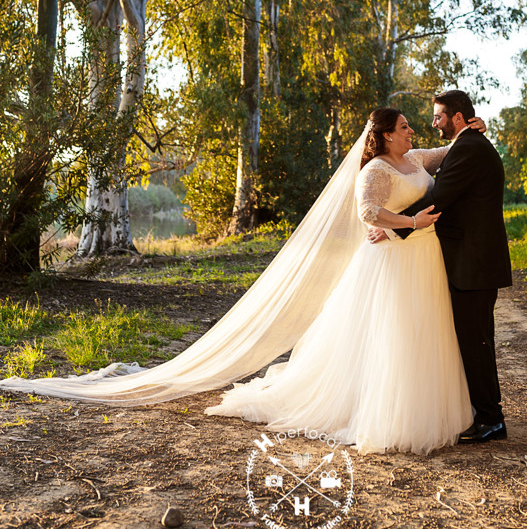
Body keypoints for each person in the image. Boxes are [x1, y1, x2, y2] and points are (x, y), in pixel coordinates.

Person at [0, 107, 485, 455]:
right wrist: (409, 223)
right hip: (392, 262)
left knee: (422, 333)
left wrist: (471, 131)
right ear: (384, 136)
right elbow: (367, 214)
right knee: (392, 336)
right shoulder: (374, 170)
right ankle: (391, 415)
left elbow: (447, 152)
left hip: (420, 260)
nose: (412, 131)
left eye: (411, 127)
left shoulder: (415, 160)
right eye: (404, 127)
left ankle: (428, 409)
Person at [369, 90, 512, 443]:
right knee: (476, 340)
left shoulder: (470, 148)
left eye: (438, 116)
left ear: (457, 118)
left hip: (473, 264)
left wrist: (394, 227)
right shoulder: (469, 145)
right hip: (474, 262)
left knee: (476, 342)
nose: (432, 123)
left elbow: (439, 196)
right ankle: (486, 413)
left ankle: (491, 419)